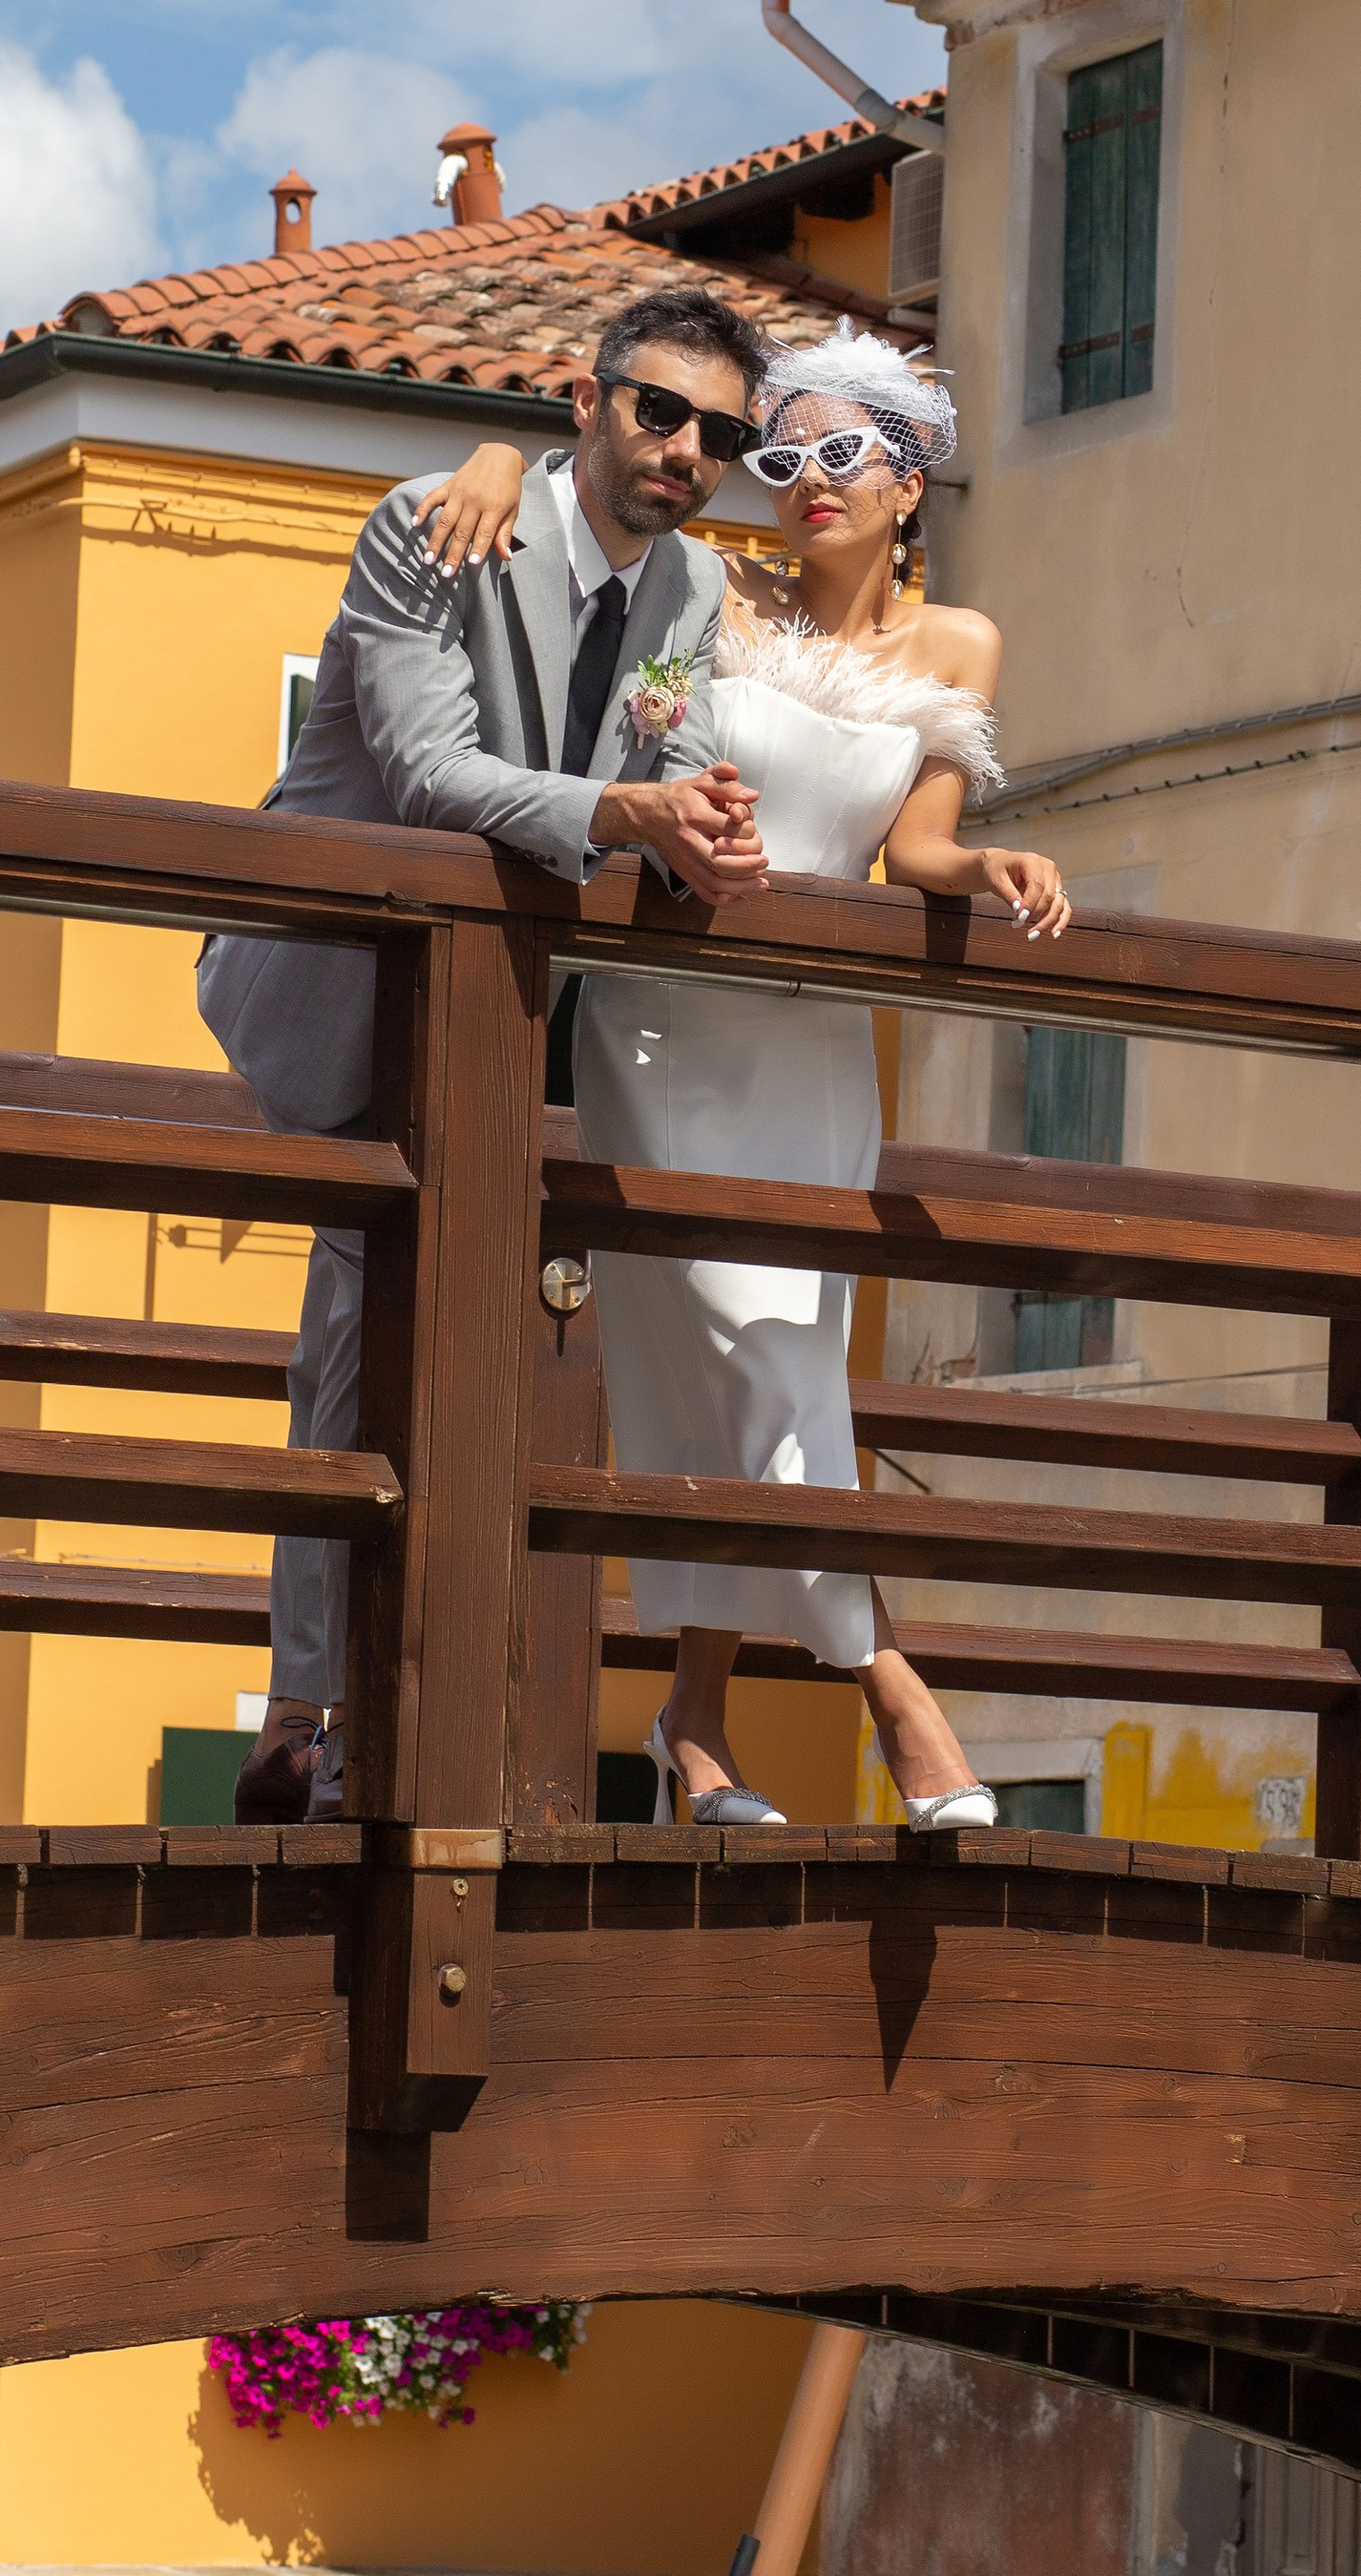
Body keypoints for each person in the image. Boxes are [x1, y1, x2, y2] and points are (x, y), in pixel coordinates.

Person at [437, 323, 1068, 1831]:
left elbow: (912, 850)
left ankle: (696, 1716)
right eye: (780, 457)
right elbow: (588, 609)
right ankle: (898, 1694)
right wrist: (492, 457)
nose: (805, 482)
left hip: (816, 1050)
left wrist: (989, 864)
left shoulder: (960, 645)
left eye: (842, 454)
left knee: (755, 1365)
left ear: (909, 481)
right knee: (753, 1355)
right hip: (663, 1025)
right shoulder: (705, 594)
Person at [198, 283, 773, 1820]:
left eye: (720, 435)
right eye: (659, 409)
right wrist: (628, 814)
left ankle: (356, 1724)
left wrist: (698, 833)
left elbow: (658, 752)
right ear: (588, 403)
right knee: (363, 1329)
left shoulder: (693, 591)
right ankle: (323, 1716)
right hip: (339, 985)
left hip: (511, 1021)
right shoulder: (433, 523)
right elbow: (428, 773)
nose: (686, 449)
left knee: (429, 1347)